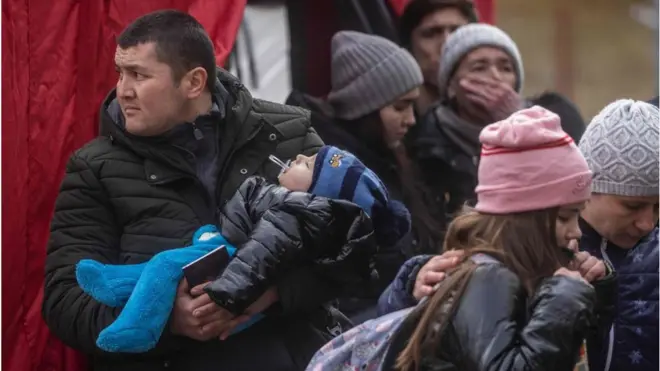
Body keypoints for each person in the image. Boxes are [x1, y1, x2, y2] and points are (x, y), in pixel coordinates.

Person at [40, 10, 362, 371]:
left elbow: (357, 248)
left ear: (194, 82)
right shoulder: (93, 168)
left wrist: (270, 294)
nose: (123, 90)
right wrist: (169, 321)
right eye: (121, 72)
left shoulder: (289, 136)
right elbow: (65, 300)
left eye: (139, 75)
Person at [307, 106, 603, 370]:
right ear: (524, 218)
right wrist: (565, 299)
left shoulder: (515, 275)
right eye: (565, 217)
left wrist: (598, 291)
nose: (576, 231)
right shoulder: (490, 278)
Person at [74, 145, 409, 353]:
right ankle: (115, 285)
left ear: (321, 194)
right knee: (164, 269)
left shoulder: (300, 212)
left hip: (234, 271)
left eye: (307, 165)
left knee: (165, 264)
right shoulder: (299, 206)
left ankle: (136, 328)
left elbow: (260, 254)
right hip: (232, 260)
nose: (298, 157)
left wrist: (228, 294)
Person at [286, 30, 445, 321]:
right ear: (366, 107)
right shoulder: (326, 177)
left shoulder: (391, 157)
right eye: (400, 106)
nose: (411, 118)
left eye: (413, 105)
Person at [410, 23, 585, 227]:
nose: (495, 76)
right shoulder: (425, 141)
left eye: (505, 68)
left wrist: (517, 121)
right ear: (451, 85)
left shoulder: (556, 117)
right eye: (479, 67)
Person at [577, 99, 658, 371]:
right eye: (632, 206)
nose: (647, 224)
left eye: (659, 207)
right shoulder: (545, 249)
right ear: (588, 188)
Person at [398, 0, 478, 117]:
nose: (447, 44)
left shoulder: (494, 118)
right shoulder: (392, 124)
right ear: (409, 46)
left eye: (459, 32)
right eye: (431, 34)